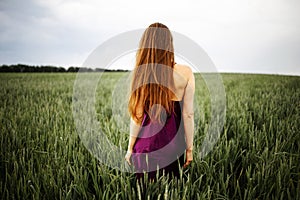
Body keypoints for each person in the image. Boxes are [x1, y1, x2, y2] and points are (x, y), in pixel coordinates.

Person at [124, 22, 195, 182]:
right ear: (169, 45)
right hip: (173, 149)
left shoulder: (143, 72)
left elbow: (137, 114)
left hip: (145, 149)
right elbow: (188, 114)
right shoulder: (186, 73)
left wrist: (130, 149)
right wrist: (189, 149)